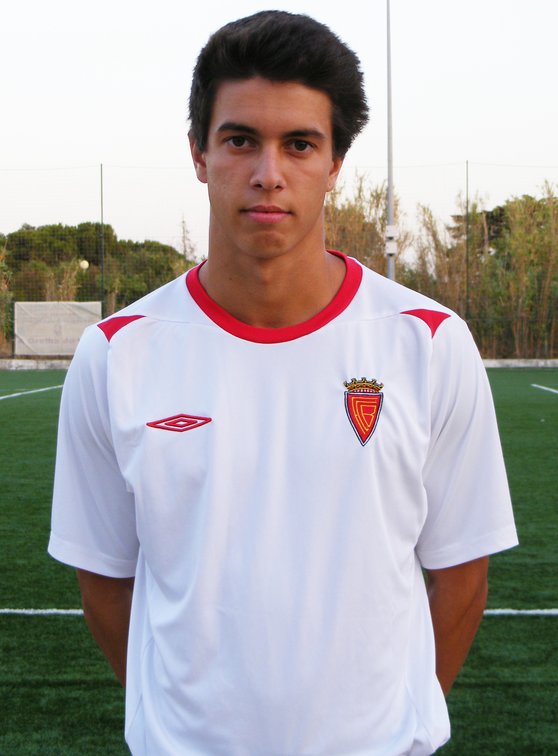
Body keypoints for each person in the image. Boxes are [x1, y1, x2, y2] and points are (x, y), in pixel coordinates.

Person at [49, 10, 518, 755]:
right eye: (240, 140)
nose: (268, 172)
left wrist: (392, 731)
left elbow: (461, 574)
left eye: (299, 144)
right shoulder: (116, 355)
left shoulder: (428, 343)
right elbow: (104, 582)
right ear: (199, 154)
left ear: (334, 164)